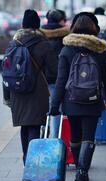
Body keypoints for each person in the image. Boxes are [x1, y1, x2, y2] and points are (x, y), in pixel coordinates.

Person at [49, 12, 106, 181]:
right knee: (89, 138)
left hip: (71, 101)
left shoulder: (67, 50)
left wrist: (54, 105)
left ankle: (80, 168)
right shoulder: (99, 50)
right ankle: (82, 172)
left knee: (75, 137)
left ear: (74, 27)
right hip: (93, 101)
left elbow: (61, 81)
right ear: (94, 28)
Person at [3, 9, 57, 164]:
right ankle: (33, 162)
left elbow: (7, 70)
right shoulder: (43, 44)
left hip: (17, 91)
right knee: (34, 125)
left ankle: (26, 157)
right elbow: (54, 72)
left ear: (23, 25)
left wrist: (7, 95)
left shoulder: (13, 43)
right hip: (37, 90)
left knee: (24, 125)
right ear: (38, 25)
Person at [40, 9, 70, 138]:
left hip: (42, 79)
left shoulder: (40, 36)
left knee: (45, 109)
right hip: (61, 79)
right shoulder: (67, 37)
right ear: (61, 21)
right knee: (57, 109)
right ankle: (56, 138)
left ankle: (43, 133)